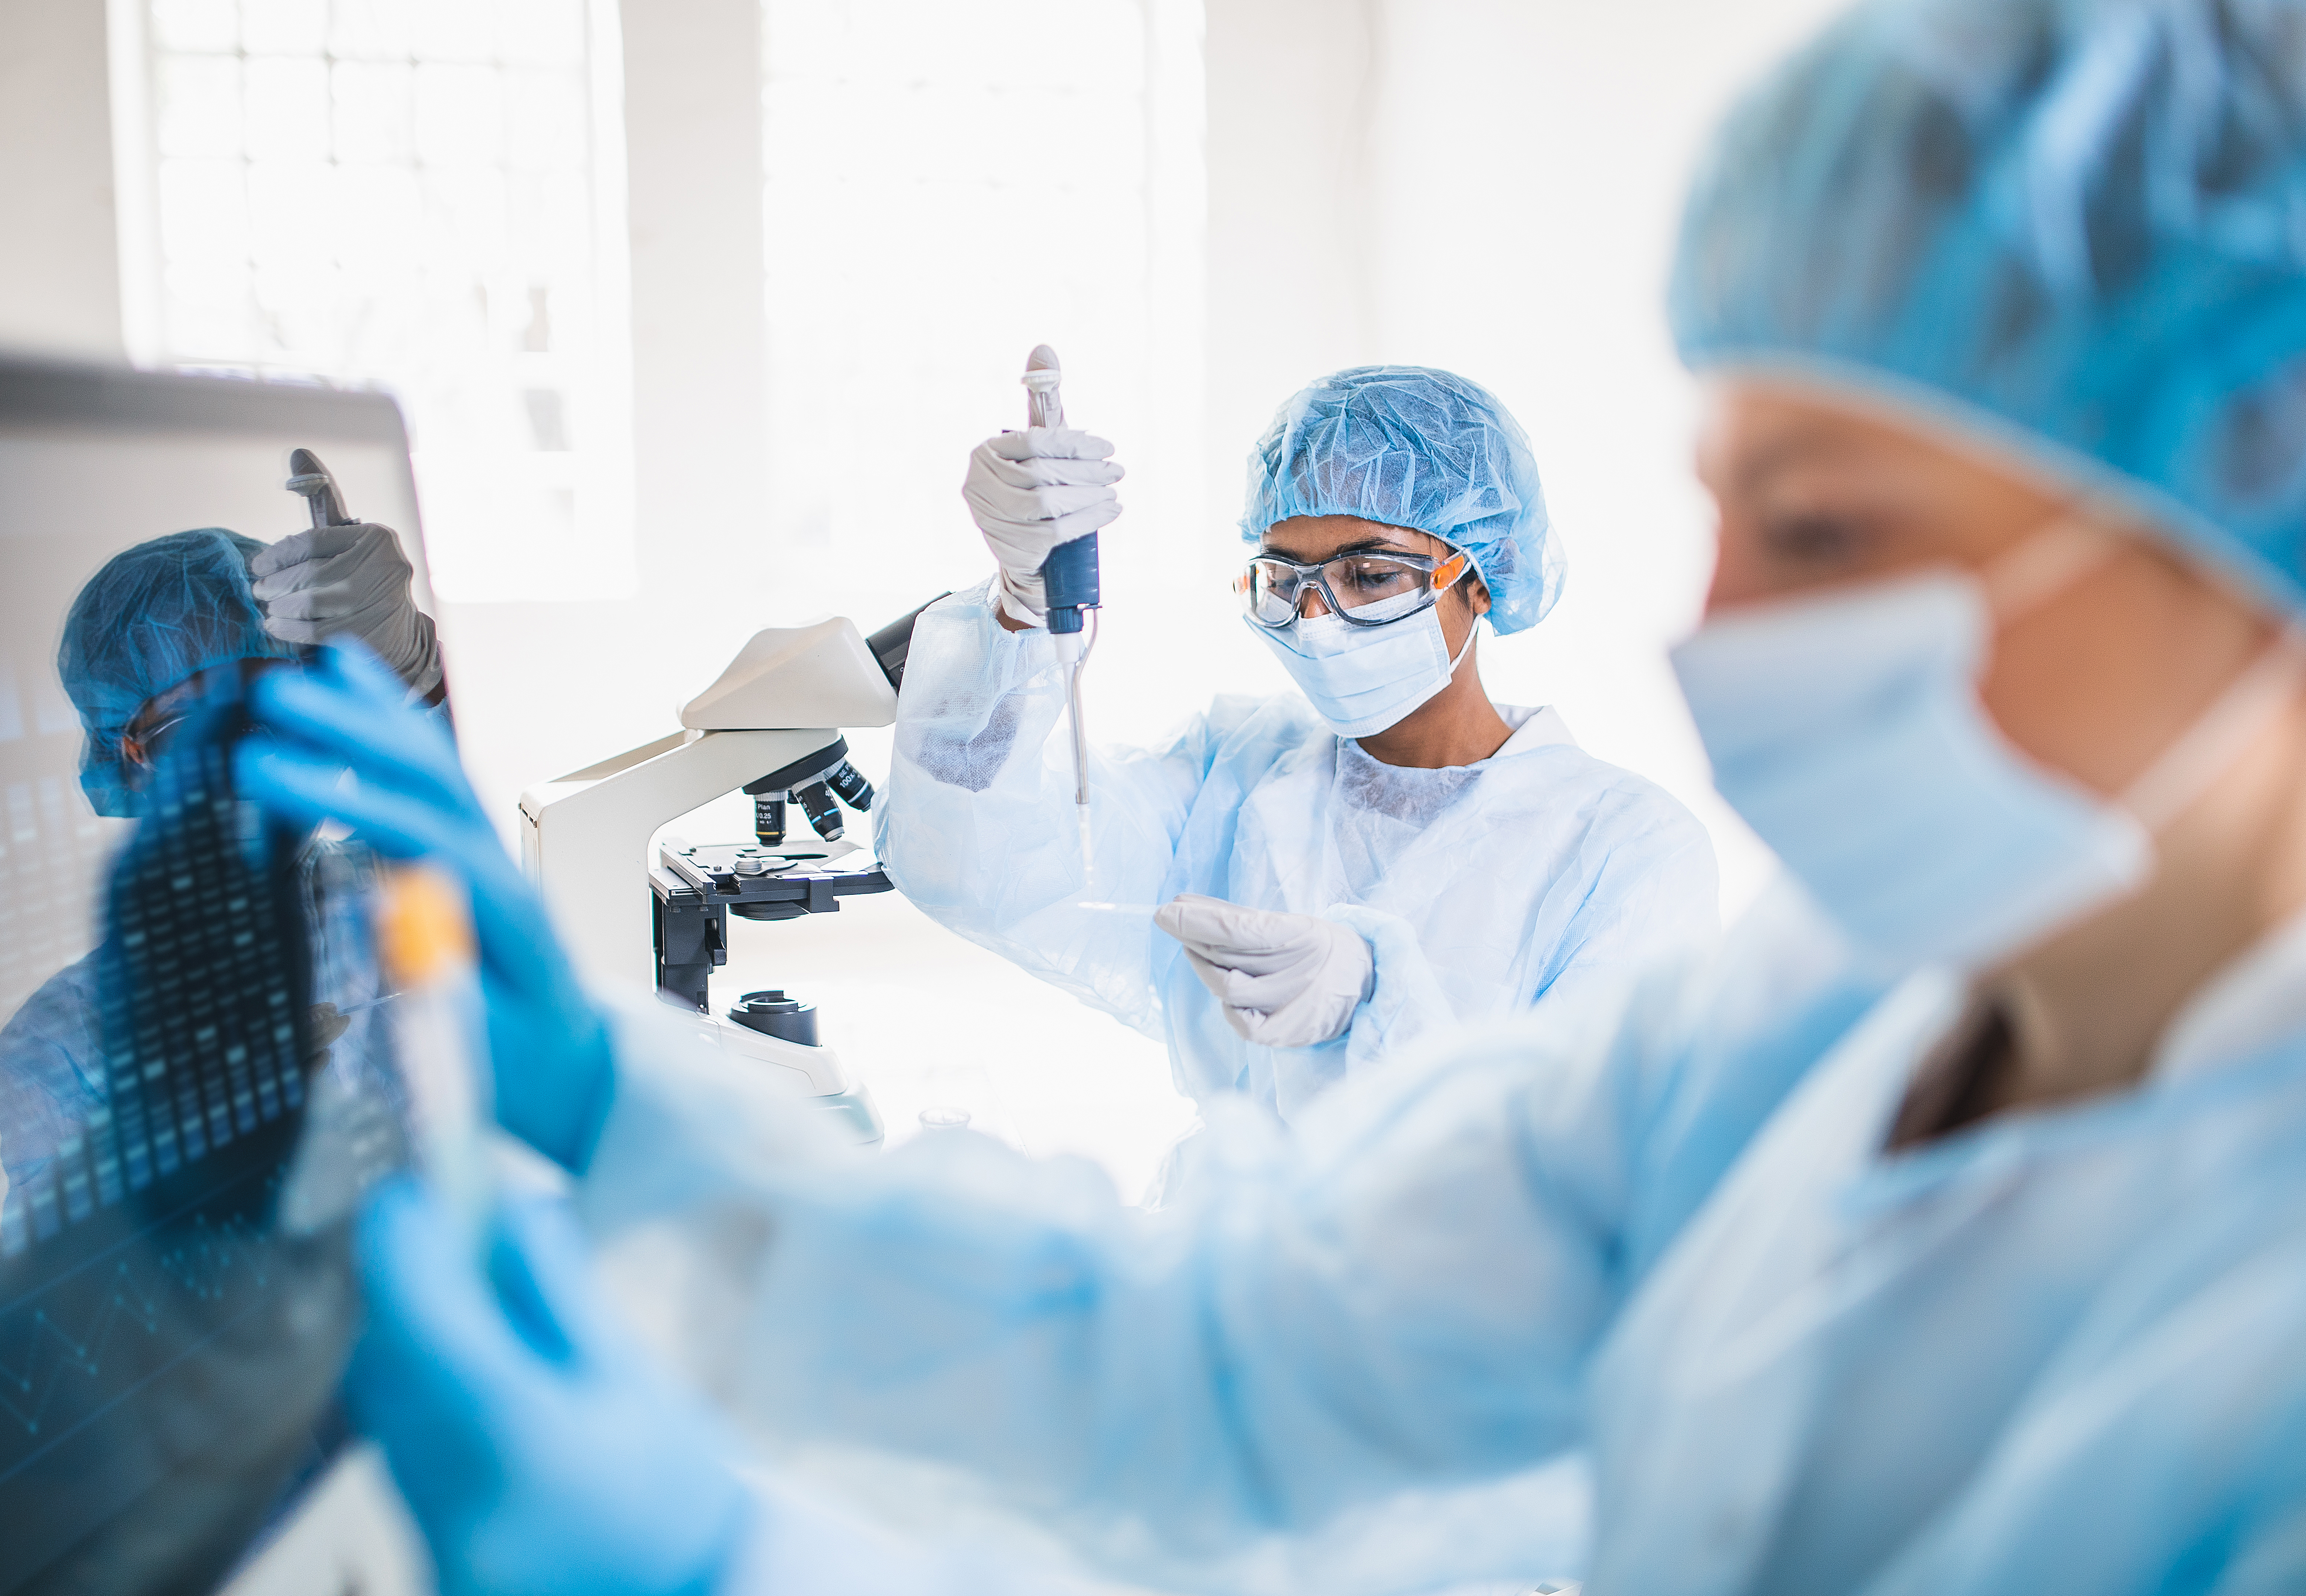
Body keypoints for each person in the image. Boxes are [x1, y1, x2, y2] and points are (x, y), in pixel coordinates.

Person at [246, 0, 2306, 1589]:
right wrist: (613, 1110)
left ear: (2235, 510)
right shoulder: (1814, 1016)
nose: (1718, 623)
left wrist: (1383, 992)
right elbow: (1222, 1338)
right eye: (1720, 520)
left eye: (1828, 534)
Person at [880, 365, 1717, 1120]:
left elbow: (1599, 1155)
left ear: (1483, 577)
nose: (1315, 619)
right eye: (1285, 577)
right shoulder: (1231, 768)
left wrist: (1378, 1004)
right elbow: (974, 861)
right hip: (1224, 1262)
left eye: (1371, 573)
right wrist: (1019, 611)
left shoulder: (1629, 849)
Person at [0, 522, 441, 1225]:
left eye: (266, 710)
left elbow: (468, 878)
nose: (243, 763)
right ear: (127, 761)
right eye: (192, 732)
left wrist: (415, 681)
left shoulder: (386, 888)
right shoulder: (60, 1044)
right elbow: (81, 1303)